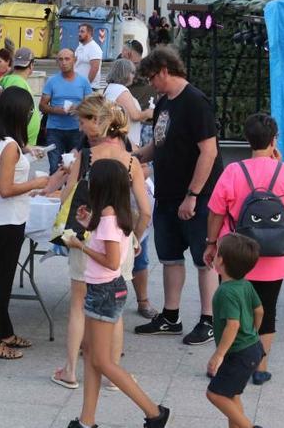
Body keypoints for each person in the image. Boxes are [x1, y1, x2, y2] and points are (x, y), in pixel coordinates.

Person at [51, 97, 153, 390]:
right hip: (119, 240)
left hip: (88, 235)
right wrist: (135, 237)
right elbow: (145, 210)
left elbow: (66, 195)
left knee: (78, 305)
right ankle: (112, 372)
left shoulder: (85, 155)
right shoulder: (130, 161)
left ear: (98, 122)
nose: (80, 126)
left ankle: (70, 369)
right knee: (115, 309)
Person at [62, 159, 171, 428]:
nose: (88, 182)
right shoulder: (113, 213)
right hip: (102, 290)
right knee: (89, 352)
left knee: (102, 361)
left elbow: (111, 261)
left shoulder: (109, 216)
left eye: (91, 178)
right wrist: (89, 227)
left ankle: (154, 412)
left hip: (105, 291)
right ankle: (86, 420)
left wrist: (80, 245)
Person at [133, 47, 224, 346]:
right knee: (170, 256)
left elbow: (208, 152)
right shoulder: (164, 104)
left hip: (196, 197)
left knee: (204, 259)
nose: (151, 84)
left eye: (151, 77)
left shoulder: (195, 102)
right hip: (167, 194)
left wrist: (193, 195)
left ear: (164, 71)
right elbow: (159, 145)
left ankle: (208, 320)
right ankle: (171, 316)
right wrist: (133, 156)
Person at [204, 113, 284, 386]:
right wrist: (278, 165)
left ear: (247, 139)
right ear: (274, 140)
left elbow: (215, 212)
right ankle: (260, 367)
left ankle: (226, 362)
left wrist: (211, 244)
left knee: (231, 311)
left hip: (235, 254)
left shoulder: (234, 171)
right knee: (267, 310)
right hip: (273, 256)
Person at [0, 87, 48, 360]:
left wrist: (27, 152)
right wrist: (37, 183)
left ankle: (4, 331)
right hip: (5, 219)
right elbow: (6, 188)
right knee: (1, 283)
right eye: (30, 112)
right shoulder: (8, 147)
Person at [205, 234, 265, 428]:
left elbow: (233, 324)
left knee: (215, 394)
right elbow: (259, 310)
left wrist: (218, 354)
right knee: (231, 394)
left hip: (238, 353)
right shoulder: (245, 284)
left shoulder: (225, 291)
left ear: (220, 260)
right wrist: (254, 332)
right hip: (253, 348)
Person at [41, 49, 93, 174]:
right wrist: (55, 110)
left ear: (74, 60)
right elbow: (42, 106)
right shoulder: (52, 81)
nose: (63, 62)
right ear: (57, 62)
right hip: (55, 130)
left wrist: (78, 108)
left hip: (77, 130)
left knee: (75, 168)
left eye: (67, 59)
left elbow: (91, 105)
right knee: (55, 168)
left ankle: (71, 193)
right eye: (60, 59)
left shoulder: (83, 82)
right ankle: (55, 192)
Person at [103, 59, 152, 148]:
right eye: (132, 73)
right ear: (125, 73)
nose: (133, 76)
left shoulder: (110, 88)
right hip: (126, 143)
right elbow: (135, 116)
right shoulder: (120, 90)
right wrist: (149, 113)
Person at [0, 48, 42, 147]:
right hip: (20, 143)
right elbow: (14, 116)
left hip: (20, 142)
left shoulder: (13, 80)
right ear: (31, 65)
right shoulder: (18, 83)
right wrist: (22, 144)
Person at [122, 40, 158, 147]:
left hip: (136, 123)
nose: (122, 53)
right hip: (149, 122)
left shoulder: (129, 70)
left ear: (129, 53)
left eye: (124, 50)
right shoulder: (149, 66)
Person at [75, 24, 103, 90]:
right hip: (78, 85)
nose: (79, 34)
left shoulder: (94, 48)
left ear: (89, 33)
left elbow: (94, 68)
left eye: (82, 32)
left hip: (89, 87)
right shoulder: (80, 46)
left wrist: (86, 85)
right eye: (79, 31)